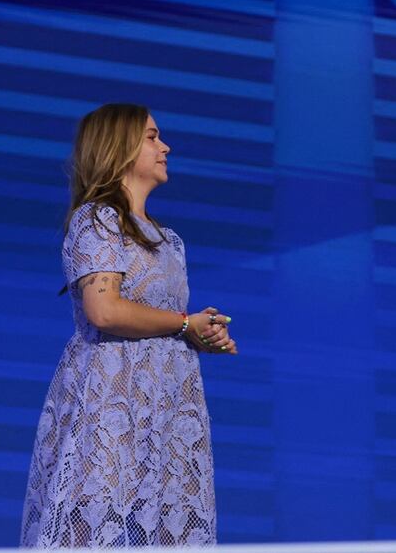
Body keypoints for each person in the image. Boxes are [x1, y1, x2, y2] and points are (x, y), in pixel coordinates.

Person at [20, 103, 238, 547]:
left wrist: (201, 334)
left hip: (166, 409)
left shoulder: (169, 239)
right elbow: (105, 311)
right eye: (153, 137)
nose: (166, 147)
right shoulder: (98, 219)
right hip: (111, 408)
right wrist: (183, 322)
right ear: (119, 148)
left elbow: (163, 325)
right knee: (89, 524)